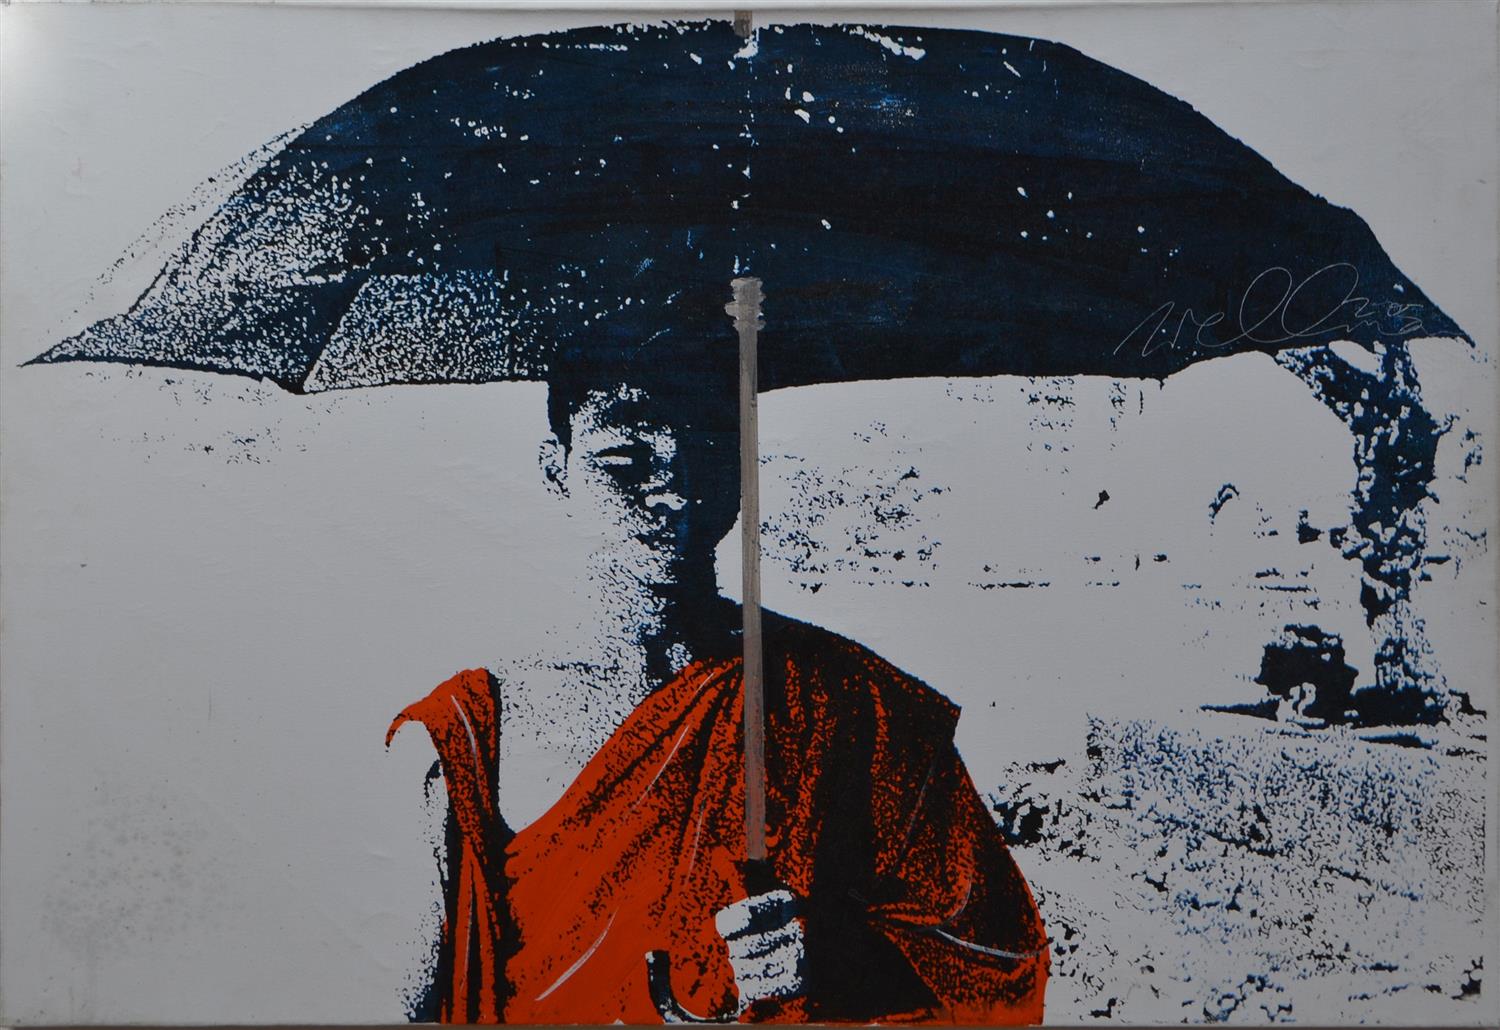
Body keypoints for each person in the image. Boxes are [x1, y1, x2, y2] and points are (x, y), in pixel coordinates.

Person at [388, 360, 1048, 1024]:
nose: (675, 492)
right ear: (555, 468)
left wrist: (832, 961)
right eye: (625, 461)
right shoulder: (468, 735)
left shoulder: (844, 698)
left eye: (705, 454)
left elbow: (1002, 964)